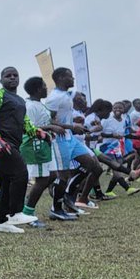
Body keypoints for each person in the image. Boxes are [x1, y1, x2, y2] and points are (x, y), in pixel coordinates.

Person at [0, 67, 43, 233]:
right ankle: (15, 212)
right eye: (8, 76)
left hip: (11, 143)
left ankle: (1, 222)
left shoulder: (20, 100)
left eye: (15, 75)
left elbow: (25, 123)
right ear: (1, 80)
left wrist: (37, 132)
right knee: (21, 174)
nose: (12, 78)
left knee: (7, 181)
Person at [46, 68, 104, 217]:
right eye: (70, 77)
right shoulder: (54, 97)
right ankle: (56, 209)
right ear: (60, 78)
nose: (73, 79)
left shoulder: (67, 94)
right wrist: (72, 126)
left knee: (91, 164)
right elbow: (49, 120)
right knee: (63, 176)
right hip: (59, 140)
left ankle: (69, 197)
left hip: (70, 138)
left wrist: (76, 125)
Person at [19, 77, 66, 221]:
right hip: (36, 145)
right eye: (45, 86)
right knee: (41, 180)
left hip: (45, 144)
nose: (47, 89)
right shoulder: (30, 106)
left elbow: (46, 120)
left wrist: (59, 126)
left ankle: (27, 203)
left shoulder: (40, 104)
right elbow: (28, 127)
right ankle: (27, 213)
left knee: (51, 176)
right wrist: (51, 127)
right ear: (37, 89)